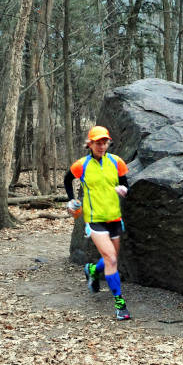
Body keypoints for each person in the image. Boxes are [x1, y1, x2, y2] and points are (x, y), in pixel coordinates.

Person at [64, 125, 131, 320]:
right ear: (90, 144)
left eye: (104, 142)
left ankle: (91, 269)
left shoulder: (116, 162)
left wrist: (124, 190)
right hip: (95, 220)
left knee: (112, 258)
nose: (101, 146)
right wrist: (70, 199)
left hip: (115, 218)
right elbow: (67, 180)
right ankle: (120, 304)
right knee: (111, 259)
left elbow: (125, 183)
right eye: (97, 143)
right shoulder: (81, 165)